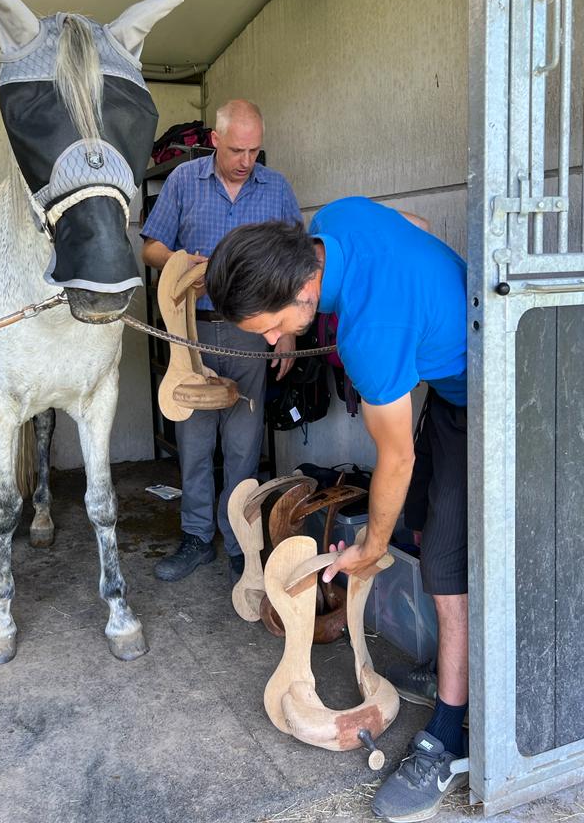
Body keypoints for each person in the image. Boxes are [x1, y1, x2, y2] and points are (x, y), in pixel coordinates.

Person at [204, 197, 468, 823]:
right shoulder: (336, 221)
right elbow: (420, 230)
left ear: (303, 287)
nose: (272, 340)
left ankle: (453, 738)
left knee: (444, 568)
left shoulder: (367, 336)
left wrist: (369, 551)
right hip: (454, 378)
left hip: (490, 388)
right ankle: (453, 667)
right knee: (420, 524)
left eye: (271, 326)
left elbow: (395, 457)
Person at [141, 99, 301, 583]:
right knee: (193, 437)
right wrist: (180, 263)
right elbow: (149, 247)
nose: (246, 161)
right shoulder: (183, 183)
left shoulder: (276, 189)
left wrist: (289, 333)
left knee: (244, 441)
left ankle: (239, 542)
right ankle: (195, 537)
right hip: (192, 330)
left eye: (255, 150)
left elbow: (299, 267)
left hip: (254, 332)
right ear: (214, 139)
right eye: (237, 149)